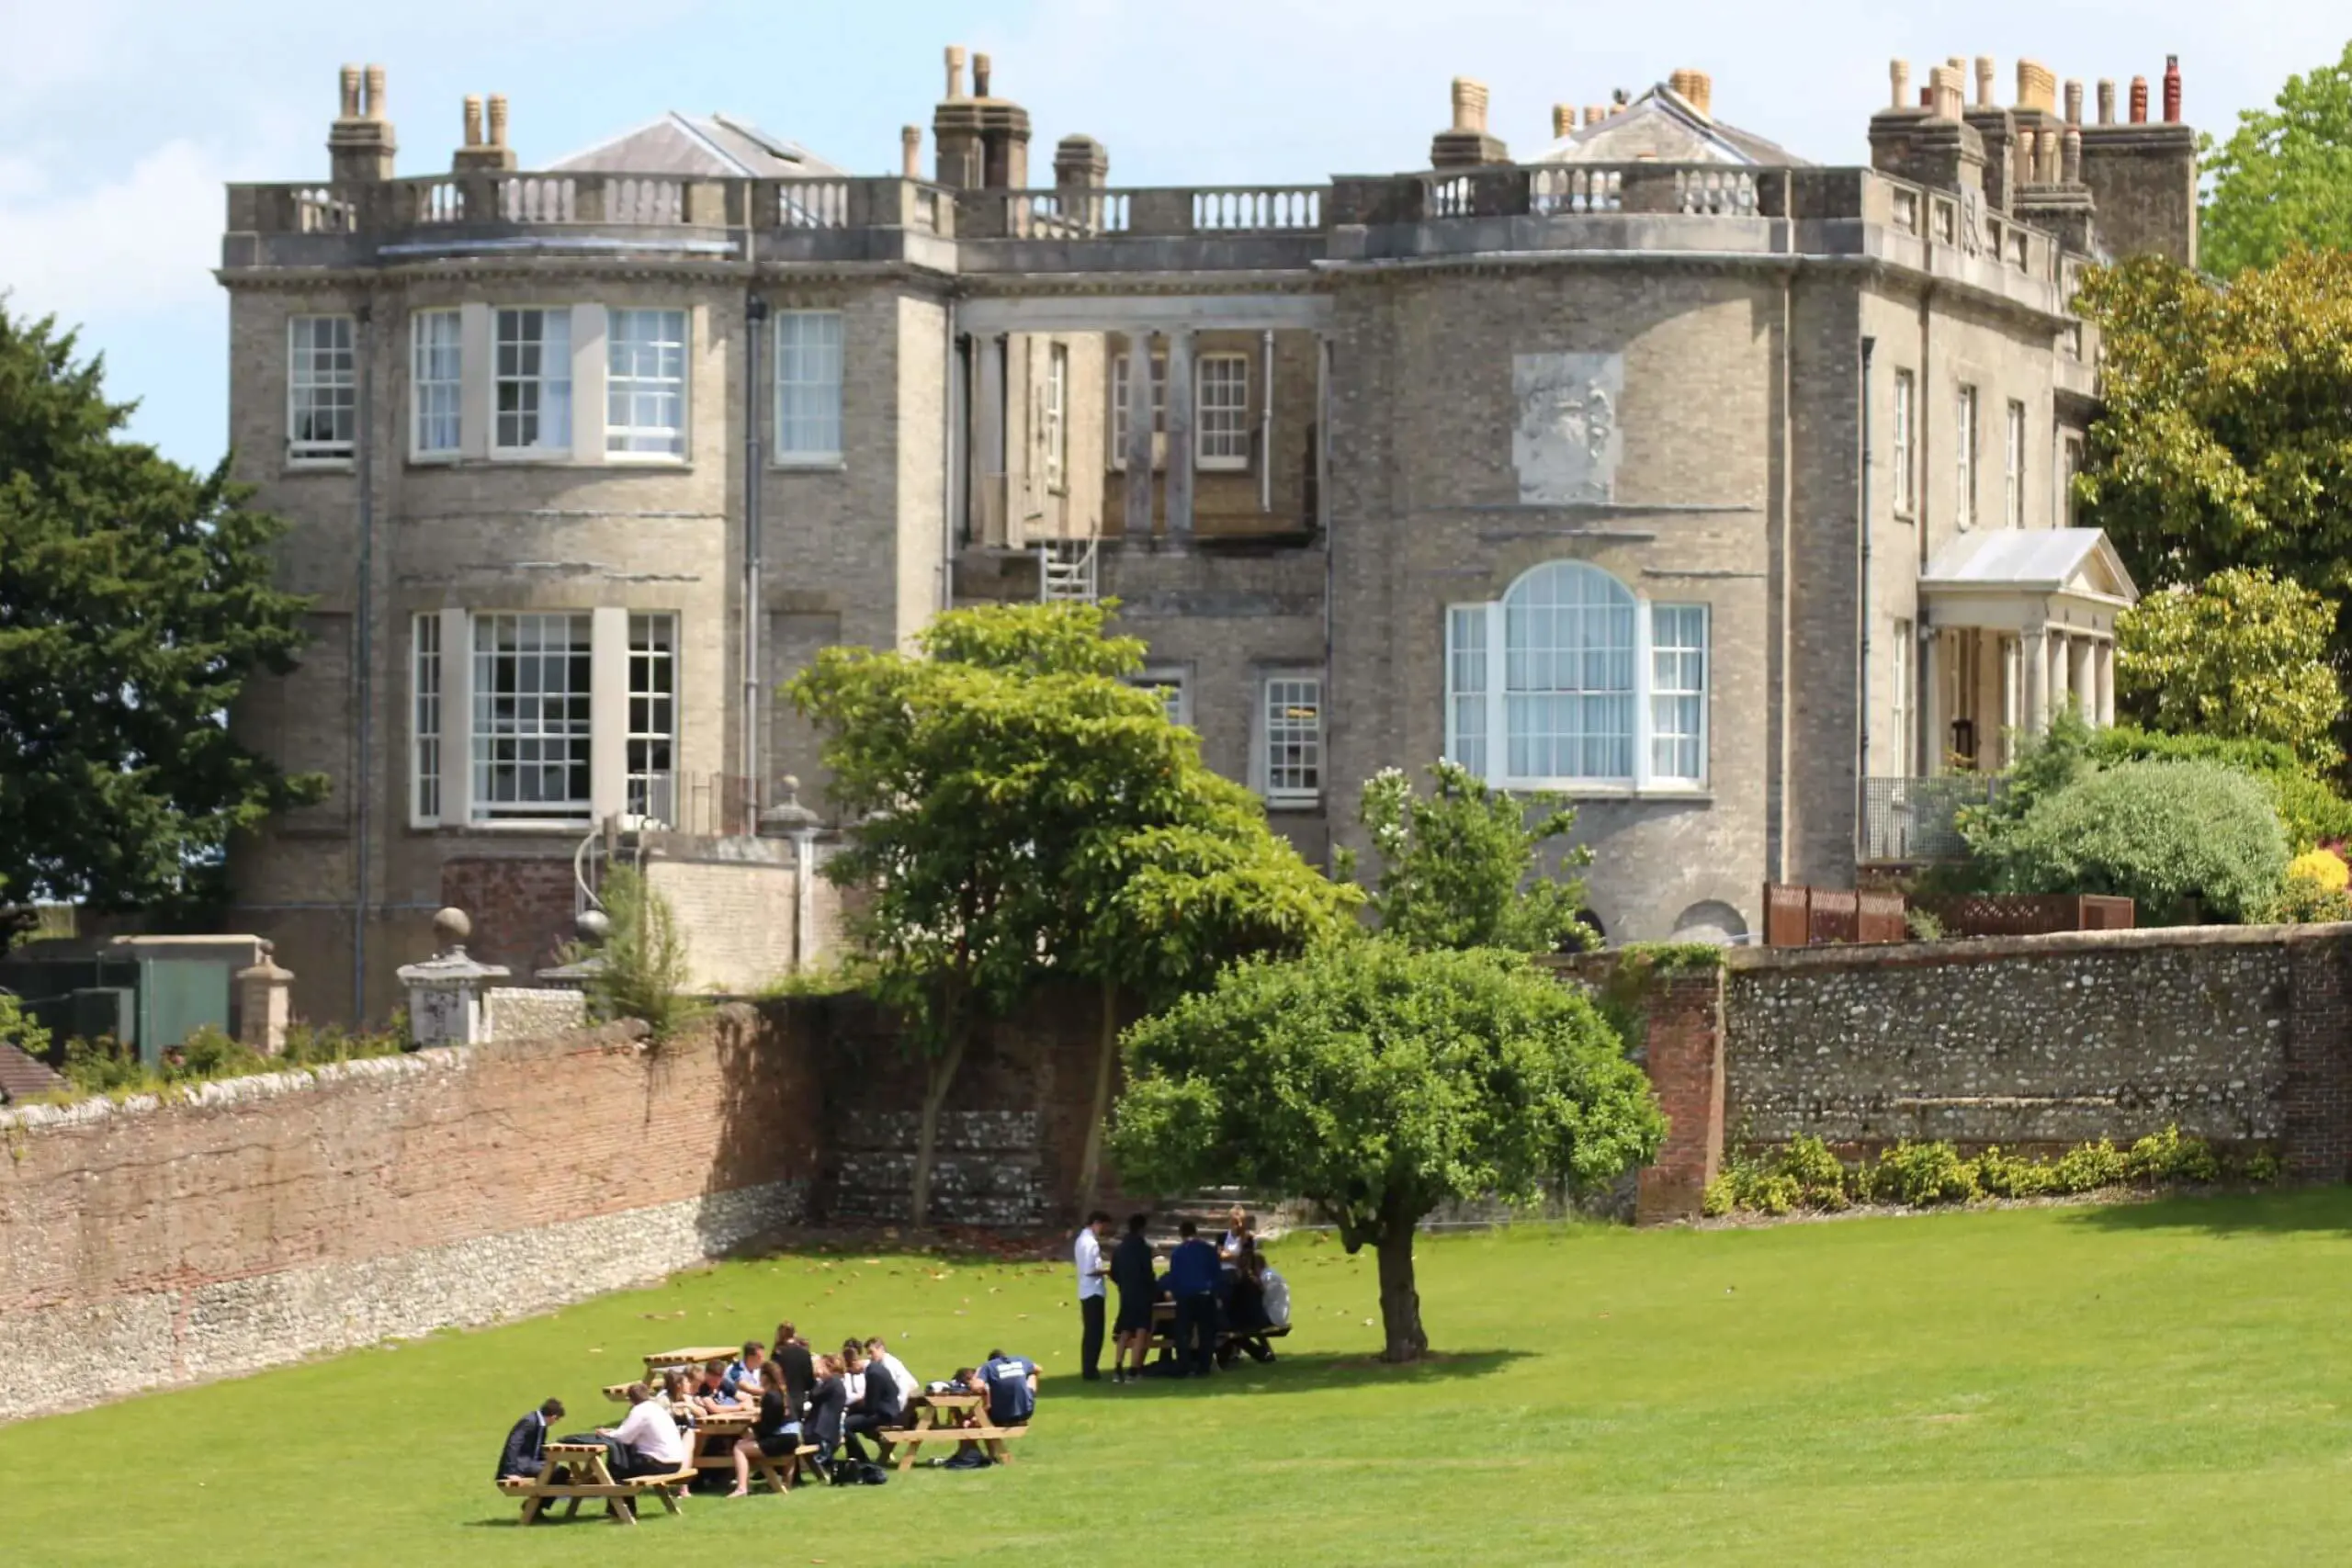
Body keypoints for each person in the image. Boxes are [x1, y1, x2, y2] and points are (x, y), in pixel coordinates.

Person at [729, 1362, 804, 1496]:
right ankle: (784, 1483)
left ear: (765, 1377)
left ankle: (742, 1488)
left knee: (739, 1447)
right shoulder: (784, 1393)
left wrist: (753, 1425)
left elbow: (767, 1428)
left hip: (781, 1440)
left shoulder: (770, 1396)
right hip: (793, 1438)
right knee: (747, 1443)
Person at [1165, 1219, 1225, 1377]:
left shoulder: (1178, 1252)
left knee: (1183, 1332)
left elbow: (1174, 1276)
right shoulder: (1207, 1250)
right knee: (1206, 1332)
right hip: (1205, 1294)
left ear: (1181, 1234)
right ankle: (1204, 1366)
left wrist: (1174, 1292)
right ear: (1195, 1232)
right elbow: (1217, 1274)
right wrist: (1216, 1293)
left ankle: (1184, 1366)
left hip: (1185, 1296)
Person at [601, 1382, 690, 1480]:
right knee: (626, 1462)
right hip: (675, 1463)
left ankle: (608, 1488)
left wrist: (606, 1434)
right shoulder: (657, 1408)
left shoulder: (639, 1410)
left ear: (630, 1399)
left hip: (660, 1462)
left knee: (619, 1464)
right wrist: (614, 1431)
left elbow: (624, 1438)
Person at [842, 1336, 908, 1465]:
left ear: (856, 1363)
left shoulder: (872, 1373)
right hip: (887, 1411)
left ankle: (861, 1459)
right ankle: (855, 1458)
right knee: (854, 1422)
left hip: (885, 1415)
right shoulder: (877, 1368)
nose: (851, 1372)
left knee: (845, 1425)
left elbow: (871, 1406)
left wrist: (854, 1408)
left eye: (850, 1369)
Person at [1109, 1213, 1157, 1385]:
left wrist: (1122, 1283)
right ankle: (1133, 1370)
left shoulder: (1120, 1249)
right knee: (1141, 1330)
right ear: (1142, 1229)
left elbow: (1113, 1272)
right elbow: (1148, 1274)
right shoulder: (1143, 1248)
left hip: (1126, 1293)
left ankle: (1117, 1367)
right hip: (1141, 1293)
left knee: (1125, 1330)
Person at [1073, 1210, 1113, 1381]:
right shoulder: (1090, 1243)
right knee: (1094, 1333)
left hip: (1086, 1290)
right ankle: (1090, 1369)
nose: (1103, 1230)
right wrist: (1109, 1270)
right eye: (1103, 1226)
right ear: (1096, 1223)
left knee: (1091, 1331)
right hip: (1093, 1291)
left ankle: (1089, 1367)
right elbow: (1090, 1269)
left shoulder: (1082, 1240)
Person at [495, 1396, 565, 1481]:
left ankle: (549, 1494)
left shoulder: (540, 1425)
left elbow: (538, 1449)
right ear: (553, 1417)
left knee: (559, 1470)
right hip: (521, 1466)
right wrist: (510, 1472)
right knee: (560, 1472)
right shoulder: (529, 1422)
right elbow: (513, 1444)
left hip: (530, 1464)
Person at [803, 1354, 848, 1472]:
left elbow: (814, 1395)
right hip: (831, 1432)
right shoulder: (837, 1382)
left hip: (821, 1433)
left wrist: (817, 1379)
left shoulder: (831, 1382)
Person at [772, 1322, 817, 1420]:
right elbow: (809, 1382)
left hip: (781, 1400)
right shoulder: (804, 1353)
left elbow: (773, 1377)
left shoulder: (778, 1353)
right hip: (799, 1399)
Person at [865, 1337, 920, 1409]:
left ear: (881, 1349)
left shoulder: (889, 1365)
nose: (869, 1356)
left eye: (871, 1352)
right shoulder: (880, 1362)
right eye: (868, 1353)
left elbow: (902, 1387)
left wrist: (898, 1409)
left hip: (907, 1395)